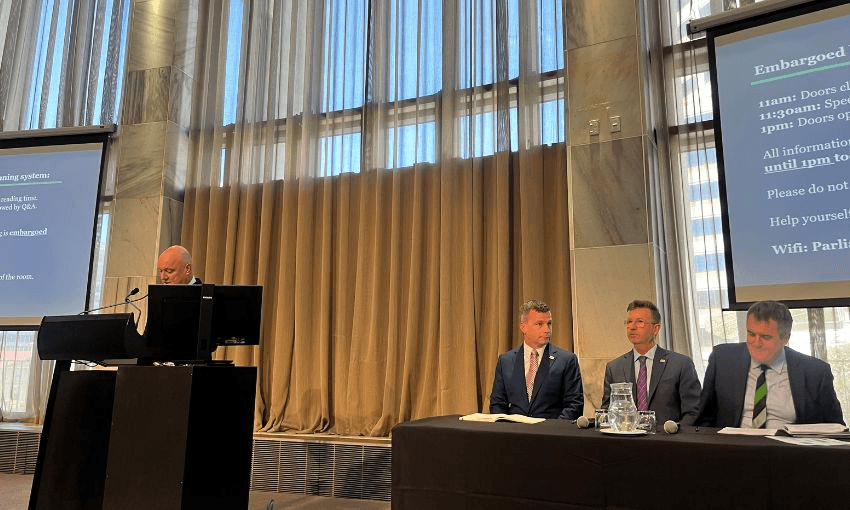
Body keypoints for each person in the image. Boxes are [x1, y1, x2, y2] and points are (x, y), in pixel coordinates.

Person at [696, 300, 844, 428]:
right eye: (751, 334)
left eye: (765, 337)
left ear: (785, 338)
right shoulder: (723, 360)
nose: (756, 343)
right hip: (735, 450)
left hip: (788, 454)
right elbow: (703, 418)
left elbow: (835, 427)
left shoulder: (815, 372)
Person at [602, 300, 701, 425]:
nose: (632, 327)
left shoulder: (680, 364)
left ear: (656, 329)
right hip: (626, 440)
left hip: (668, 440)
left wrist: (675, 433)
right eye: (629, 322)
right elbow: (606, 411)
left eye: (640, 322)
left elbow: (693, 412)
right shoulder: (614, 367)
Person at [489, 300, 584, 420]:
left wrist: (552, 431)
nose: (547, 330)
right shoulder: (506, 361)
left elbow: (574, 405)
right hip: (514, 434)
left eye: (549, 324)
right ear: (523, 327)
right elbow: (497, 404)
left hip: (550, 434)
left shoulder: (566, 360)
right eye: (539, 324)